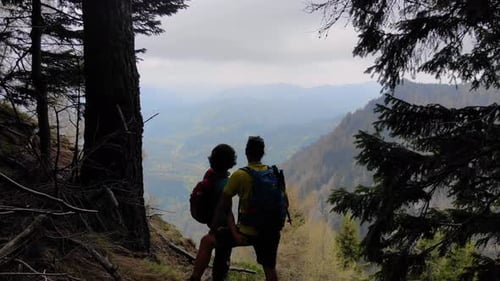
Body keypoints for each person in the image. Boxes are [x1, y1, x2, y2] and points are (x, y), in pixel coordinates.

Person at [213, 136, 286, 281]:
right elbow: (285, 203)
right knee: (270, 270)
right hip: (271, 232)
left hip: (247, 232)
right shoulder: (274, 174)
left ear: (246, 152)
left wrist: (231, 232)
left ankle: (217, 277)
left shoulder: (240, 175)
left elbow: (223, 205)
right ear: (263, 153)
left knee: (215, 240)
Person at [189, 144, 237, 281]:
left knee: (207, 244)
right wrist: (228, 230)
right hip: (220, 225)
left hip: (211, 221)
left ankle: (195, 277)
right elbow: (225, 211)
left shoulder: (210, 175)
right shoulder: (226, 185)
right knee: (222, 257)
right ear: (230, 163)